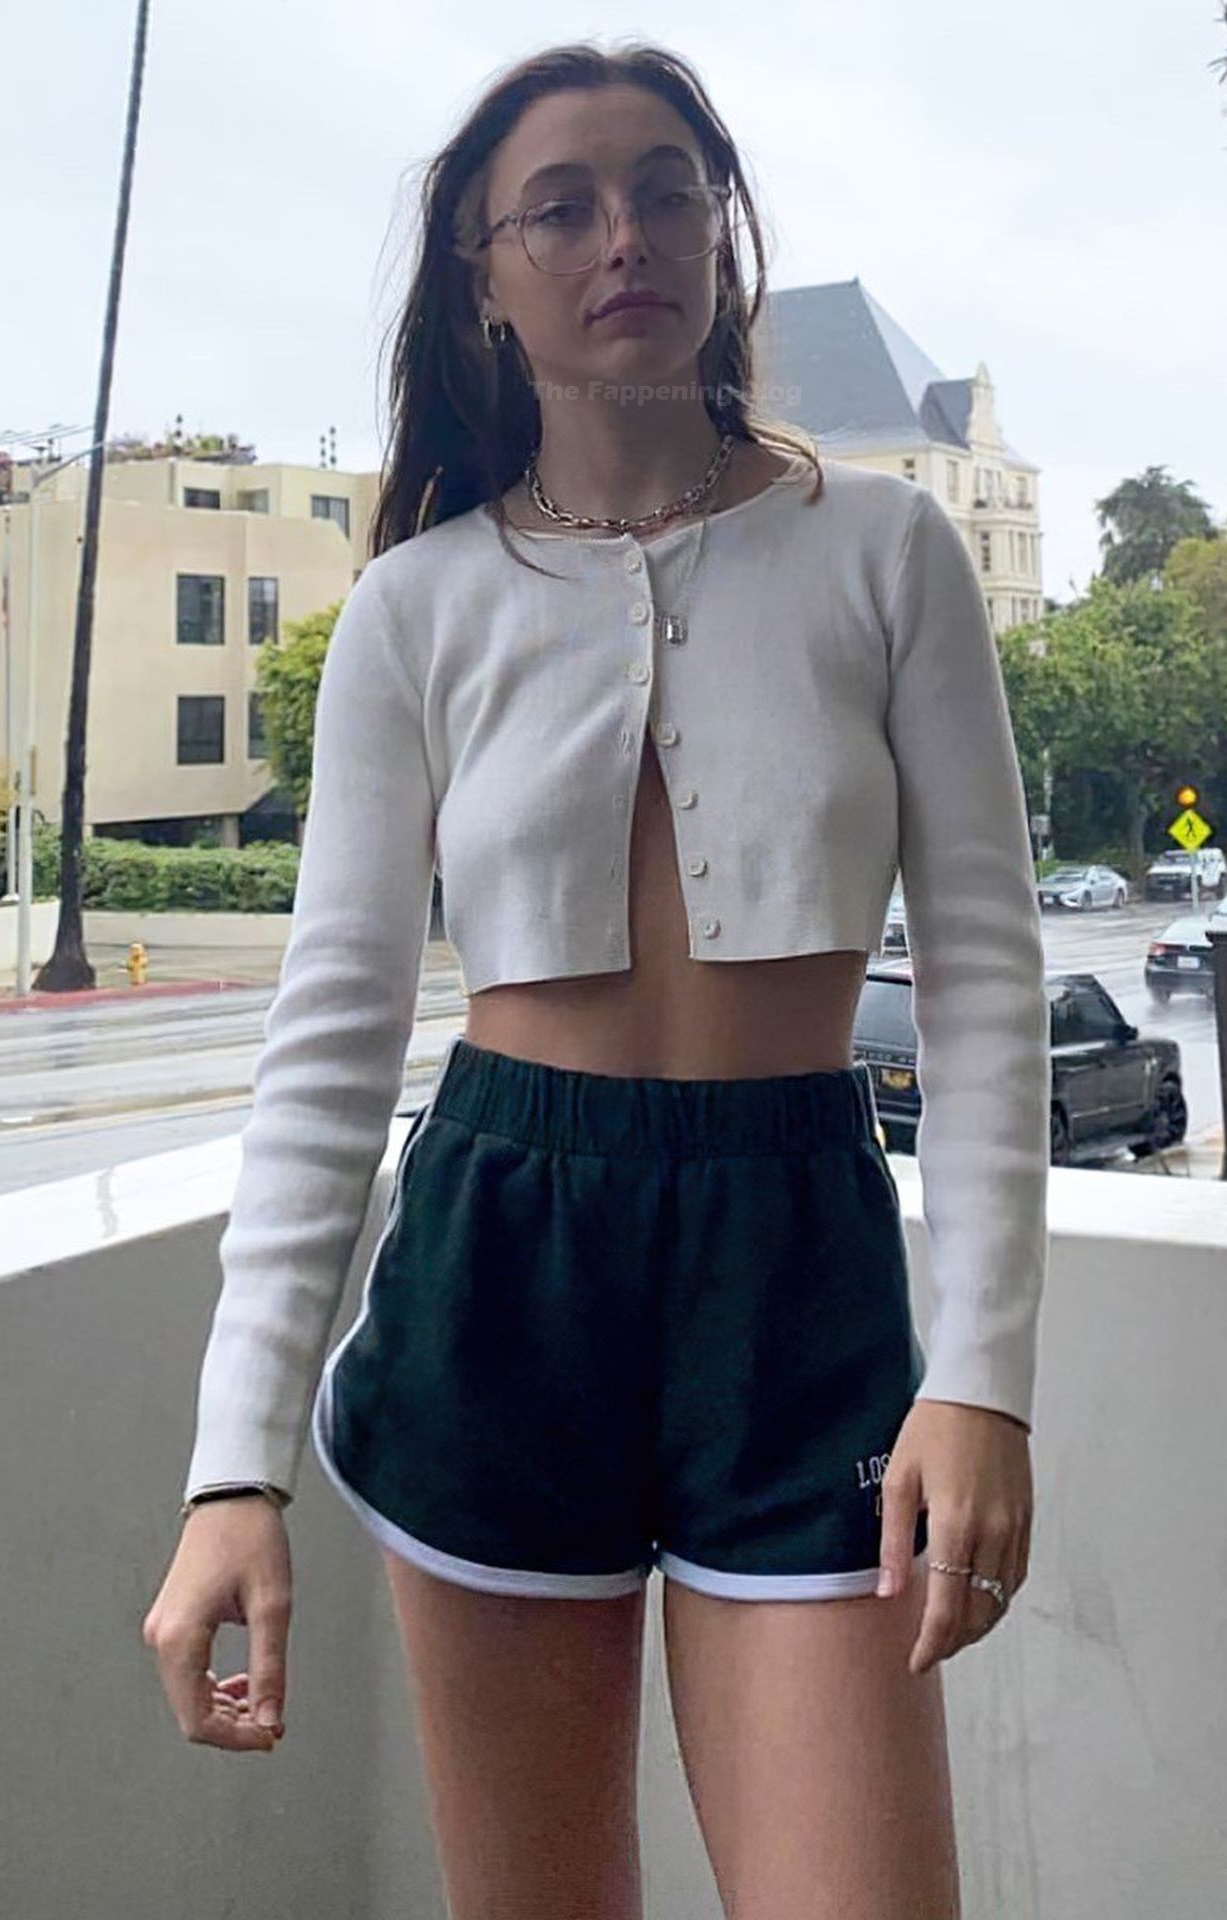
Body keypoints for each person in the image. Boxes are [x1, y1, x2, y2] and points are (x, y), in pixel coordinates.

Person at [143, 37, 1050, 1920]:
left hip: (795, 1263)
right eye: (557, 207)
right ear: (484, 277)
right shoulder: (415, 606)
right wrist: (233, 1470)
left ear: (721, 229)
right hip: (498, 1262)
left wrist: (982, 1378)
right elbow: (328, 1042)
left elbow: (982, 982)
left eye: (663, 189)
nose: (621, 234)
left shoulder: (884, 549)